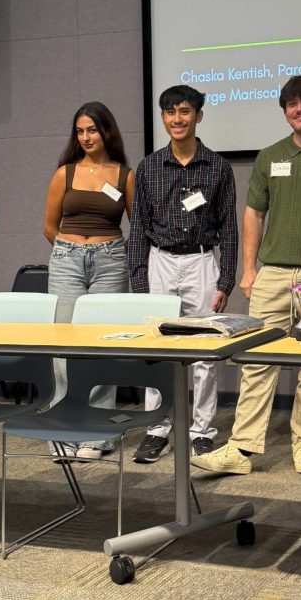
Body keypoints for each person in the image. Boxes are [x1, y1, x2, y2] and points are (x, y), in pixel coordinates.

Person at [191, 76, 301, 476]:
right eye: (292, 104)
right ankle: (242, 448)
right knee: (257, 362)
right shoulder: (270, 157)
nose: (300, 109)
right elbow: (254, 214)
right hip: (272, 274)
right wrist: (249, 269)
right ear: (285, 112)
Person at [126, 85, 237, 462]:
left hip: (202, 262)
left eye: (185, 111)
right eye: (170, 112)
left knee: (205, 349)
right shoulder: (148, 167)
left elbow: (229, 228)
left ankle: (202, 431)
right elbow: (138, 228)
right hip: (160, 261)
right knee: (157, 349)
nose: (178, 119)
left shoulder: (218, 167)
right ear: (162, 118)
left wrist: (226, 280)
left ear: (198, 116)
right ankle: (157, 428)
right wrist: (139, 280)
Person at [42, 101, 134, 459]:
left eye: (92, 130)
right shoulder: (64, 174)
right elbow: (49, 227)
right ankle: (64, 427)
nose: (86, 137)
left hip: (111, 261)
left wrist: (103, 252)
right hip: (67, 260)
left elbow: (137, 225)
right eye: (79, 131)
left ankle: (97, 435)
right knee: (63, 346)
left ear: (106, 131)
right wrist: (72, 251)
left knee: (102, 346)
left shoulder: (125, 175)